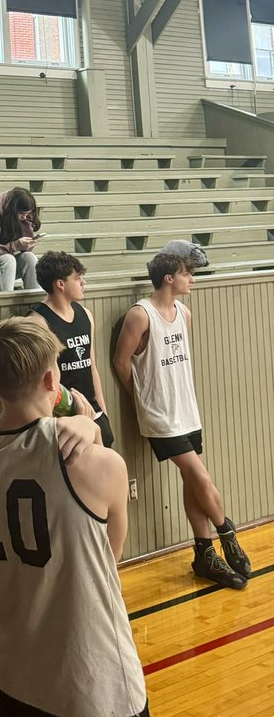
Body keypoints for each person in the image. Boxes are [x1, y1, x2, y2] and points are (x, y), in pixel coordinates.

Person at [0, 318, 148, 717]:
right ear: (52, 379)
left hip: (15, 675)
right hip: (92, 682)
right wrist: (91, 422)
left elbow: (26, 420)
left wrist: (76, 418)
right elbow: (108, 558)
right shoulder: (99, 464)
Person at [113, 252, 251, 590]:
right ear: (168, 278)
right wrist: (143, 400)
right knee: (200, 475)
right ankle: (226, 532)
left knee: (192, 480)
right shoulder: (140, 315)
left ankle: (203, 554)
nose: (192, 279)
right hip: (160, 416)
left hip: (186, 409)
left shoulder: (184, 313)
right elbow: (121, 362)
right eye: (187, 274)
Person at [28, 250, 115, 447]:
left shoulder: (85, 314)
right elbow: (41, 382)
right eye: (78, 278)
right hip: (63, 415)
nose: (83, 283)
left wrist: (103, 411)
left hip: (92, 409)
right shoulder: (38, 322)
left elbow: (91, 367)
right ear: (60, 284)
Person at [0, 187, 41, 291]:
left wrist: (27, 230)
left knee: (29, 257)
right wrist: (15, 245)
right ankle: (4, 302)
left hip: (5, 268)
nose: (24, 217)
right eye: (22, 214)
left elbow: (24, 250)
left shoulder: (21, 219)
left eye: (27, 214)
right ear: (13, 210)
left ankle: (35, 302)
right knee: (8, 259)